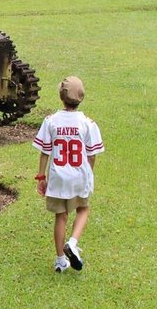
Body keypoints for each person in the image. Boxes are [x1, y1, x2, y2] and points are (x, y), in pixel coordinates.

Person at [32, 75, 104, 273]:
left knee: (60, 216)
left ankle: (60, 259)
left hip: (58, 177)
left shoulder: (50, 121)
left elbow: (44, 151)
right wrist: (89, 173)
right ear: (81, 98)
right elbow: (92, 154)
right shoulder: (88, 123)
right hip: (80, 175)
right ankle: (73, 242)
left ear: (61, 96)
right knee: (83, 208)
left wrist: (41, 176)